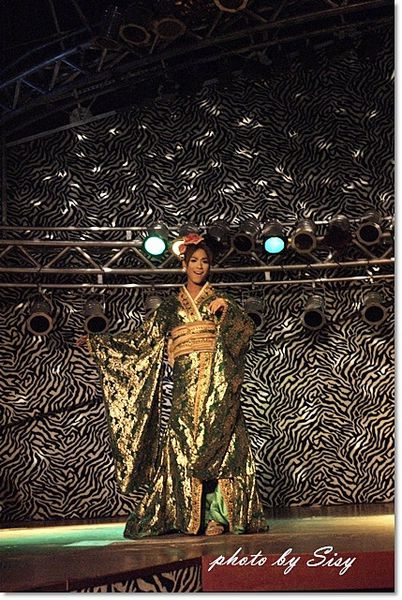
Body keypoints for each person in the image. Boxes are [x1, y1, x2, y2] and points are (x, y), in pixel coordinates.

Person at [77, 233, 269, 538]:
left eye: (205, 261)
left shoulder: (222, 300)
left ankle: (218, 516)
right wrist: (100, 344)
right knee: (186, 448)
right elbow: (141, 340)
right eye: (194, 261)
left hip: (219, 386)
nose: (200, 266)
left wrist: (228, 313)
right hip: (185, 390)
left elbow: (245, 331)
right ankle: (190, 516)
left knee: (221, 445)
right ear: (184, 264)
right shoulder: (169, 307)